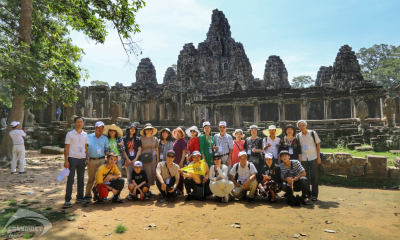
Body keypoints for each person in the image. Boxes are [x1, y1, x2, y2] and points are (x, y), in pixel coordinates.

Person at [64, 117, 89, 206]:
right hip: (72, 158)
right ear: (74, 123)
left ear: (83, 123)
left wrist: (87, 157)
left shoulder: (85, 134)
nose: (79, 123)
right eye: (77, 122)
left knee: (81, 179)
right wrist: (66, 160)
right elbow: (66, 147)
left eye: (81, 122)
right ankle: (67, 198)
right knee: (70, 179)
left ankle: (79, 197)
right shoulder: (70, 134)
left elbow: (86, 146)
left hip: (82, 158)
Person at [296, 120, 321, 201]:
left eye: (303, 125)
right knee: (305, 176)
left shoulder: (312, 133)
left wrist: (319, 157)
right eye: (300, 126)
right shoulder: (298, 135)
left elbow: (318, 144)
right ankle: (307, 193)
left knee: (314, 176)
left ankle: (314, 194)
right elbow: (298, 147)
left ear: (306, 125)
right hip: (303, 158)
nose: (301, 127)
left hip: (313, 156)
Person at [84, 121, 109, 200]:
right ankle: (87, 194)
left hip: (101, 160)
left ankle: (102, 194)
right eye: (99, 127)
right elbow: (85, 147)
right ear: (95, 128)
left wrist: (108, 155)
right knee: (91, 178)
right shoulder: (88, 136)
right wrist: (87, 158)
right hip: (91, 160)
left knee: (101, 178)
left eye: (102, 128)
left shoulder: (105, 138)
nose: (100, 129)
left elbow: (106, 148)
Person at [123, 123, 142, 196]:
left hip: (136, 160)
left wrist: (135, 159)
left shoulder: (137, 139)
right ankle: (131, 192)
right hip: (128, 160)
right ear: (128, 129)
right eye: (131, 128)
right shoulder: (124, 139)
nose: (132, 130)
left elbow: (139, 150)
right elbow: (123, 150)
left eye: (134, 129)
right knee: (129, 176)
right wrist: (127, 159)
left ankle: (137, 190)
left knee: (137, 175)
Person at [139, 123, 159, 192]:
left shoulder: (155, 139)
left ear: (152, 130)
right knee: (146, 173)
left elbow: (157, 150)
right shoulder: (141, 139)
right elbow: (140, 149)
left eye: (150, 129)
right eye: (147, 129)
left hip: (152, 157)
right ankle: (145, 190)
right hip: (144, 157)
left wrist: (157, 160)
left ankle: (148, 190)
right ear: (144, 130)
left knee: (151, 173)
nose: (148, 130)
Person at [172, 127, 187, 194]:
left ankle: (181, 190)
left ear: (182, 134)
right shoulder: (175, 141)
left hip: (180, 160)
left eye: (178, 133)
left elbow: (184, 152)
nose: (177, 134)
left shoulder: (183, 141)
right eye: (176, 133)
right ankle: (176, 189)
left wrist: (181, 162)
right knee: (176, 175)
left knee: (180, 175)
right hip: (174, 161)